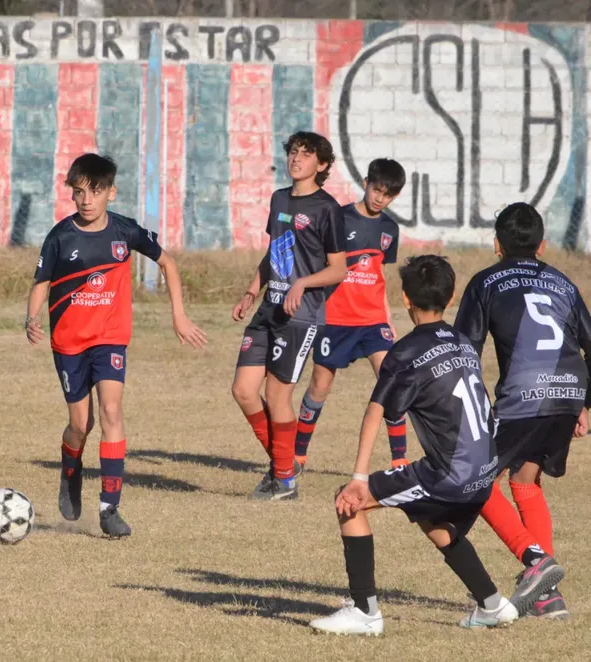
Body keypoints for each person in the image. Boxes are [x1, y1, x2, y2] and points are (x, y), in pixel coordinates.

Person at [310, 255, 559, 635]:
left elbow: (377, 411)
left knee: (349, 502)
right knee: (432, 519)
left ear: (405, 299)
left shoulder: (405, 352)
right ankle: (492, 604)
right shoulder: (462, 342)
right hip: (485, 473)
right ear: (452, 295)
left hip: (450, 474)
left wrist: (358, 478)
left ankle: (364, 612)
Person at [25, 153, 207, 538]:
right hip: (69, 342)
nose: (86, 200)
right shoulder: (61, 236)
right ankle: (70, 470)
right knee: (80, 424)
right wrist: (33, 316)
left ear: (111, 192)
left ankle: (110, 509)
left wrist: (179, 315)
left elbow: (168, 263)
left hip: (110, 338)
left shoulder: (125, 232)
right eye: (79, 192)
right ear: (72, 195)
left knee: (111, 410)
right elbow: (41, 282)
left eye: (95, 191)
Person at [454, 202, 590, 619]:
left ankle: (536, 562)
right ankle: (548, 598)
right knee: (526, 478)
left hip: (524, 397)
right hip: (569, 391)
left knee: (473, 481)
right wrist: (585, 403)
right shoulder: (563, 282)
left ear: (497, 244)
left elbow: (464, 352)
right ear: (543, 245)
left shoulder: (485, 282)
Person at [231, 131, 347, 501]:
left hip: (302, 315)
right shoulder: (279, 198)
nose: (296, 159)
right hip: (268, 309)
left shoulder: (327, 208)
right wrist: (252, 289)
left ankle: (284, 481)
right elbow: (275, 250)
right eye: (294, 152)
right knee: (244, 391)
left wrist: (302, 284)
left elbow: (338, 269)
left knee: (277, 396)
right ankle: (283, 469)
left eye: (306, 154)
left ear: (322, 165)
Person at [294, 158, 410, 471]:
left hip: (373, 321)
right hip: (335, 318)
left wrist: (388, 317)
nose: (379, 198)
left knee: (392, 381)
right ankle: (298, 453)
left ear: (394, 197)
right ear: (366, 183)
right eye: (376, 190)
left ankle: (400, 459)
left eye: (387, 195)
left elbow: (379, 276)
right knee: (320, 386)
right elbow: (318, 263)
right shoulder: (338, 218)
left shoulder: (389, 229)